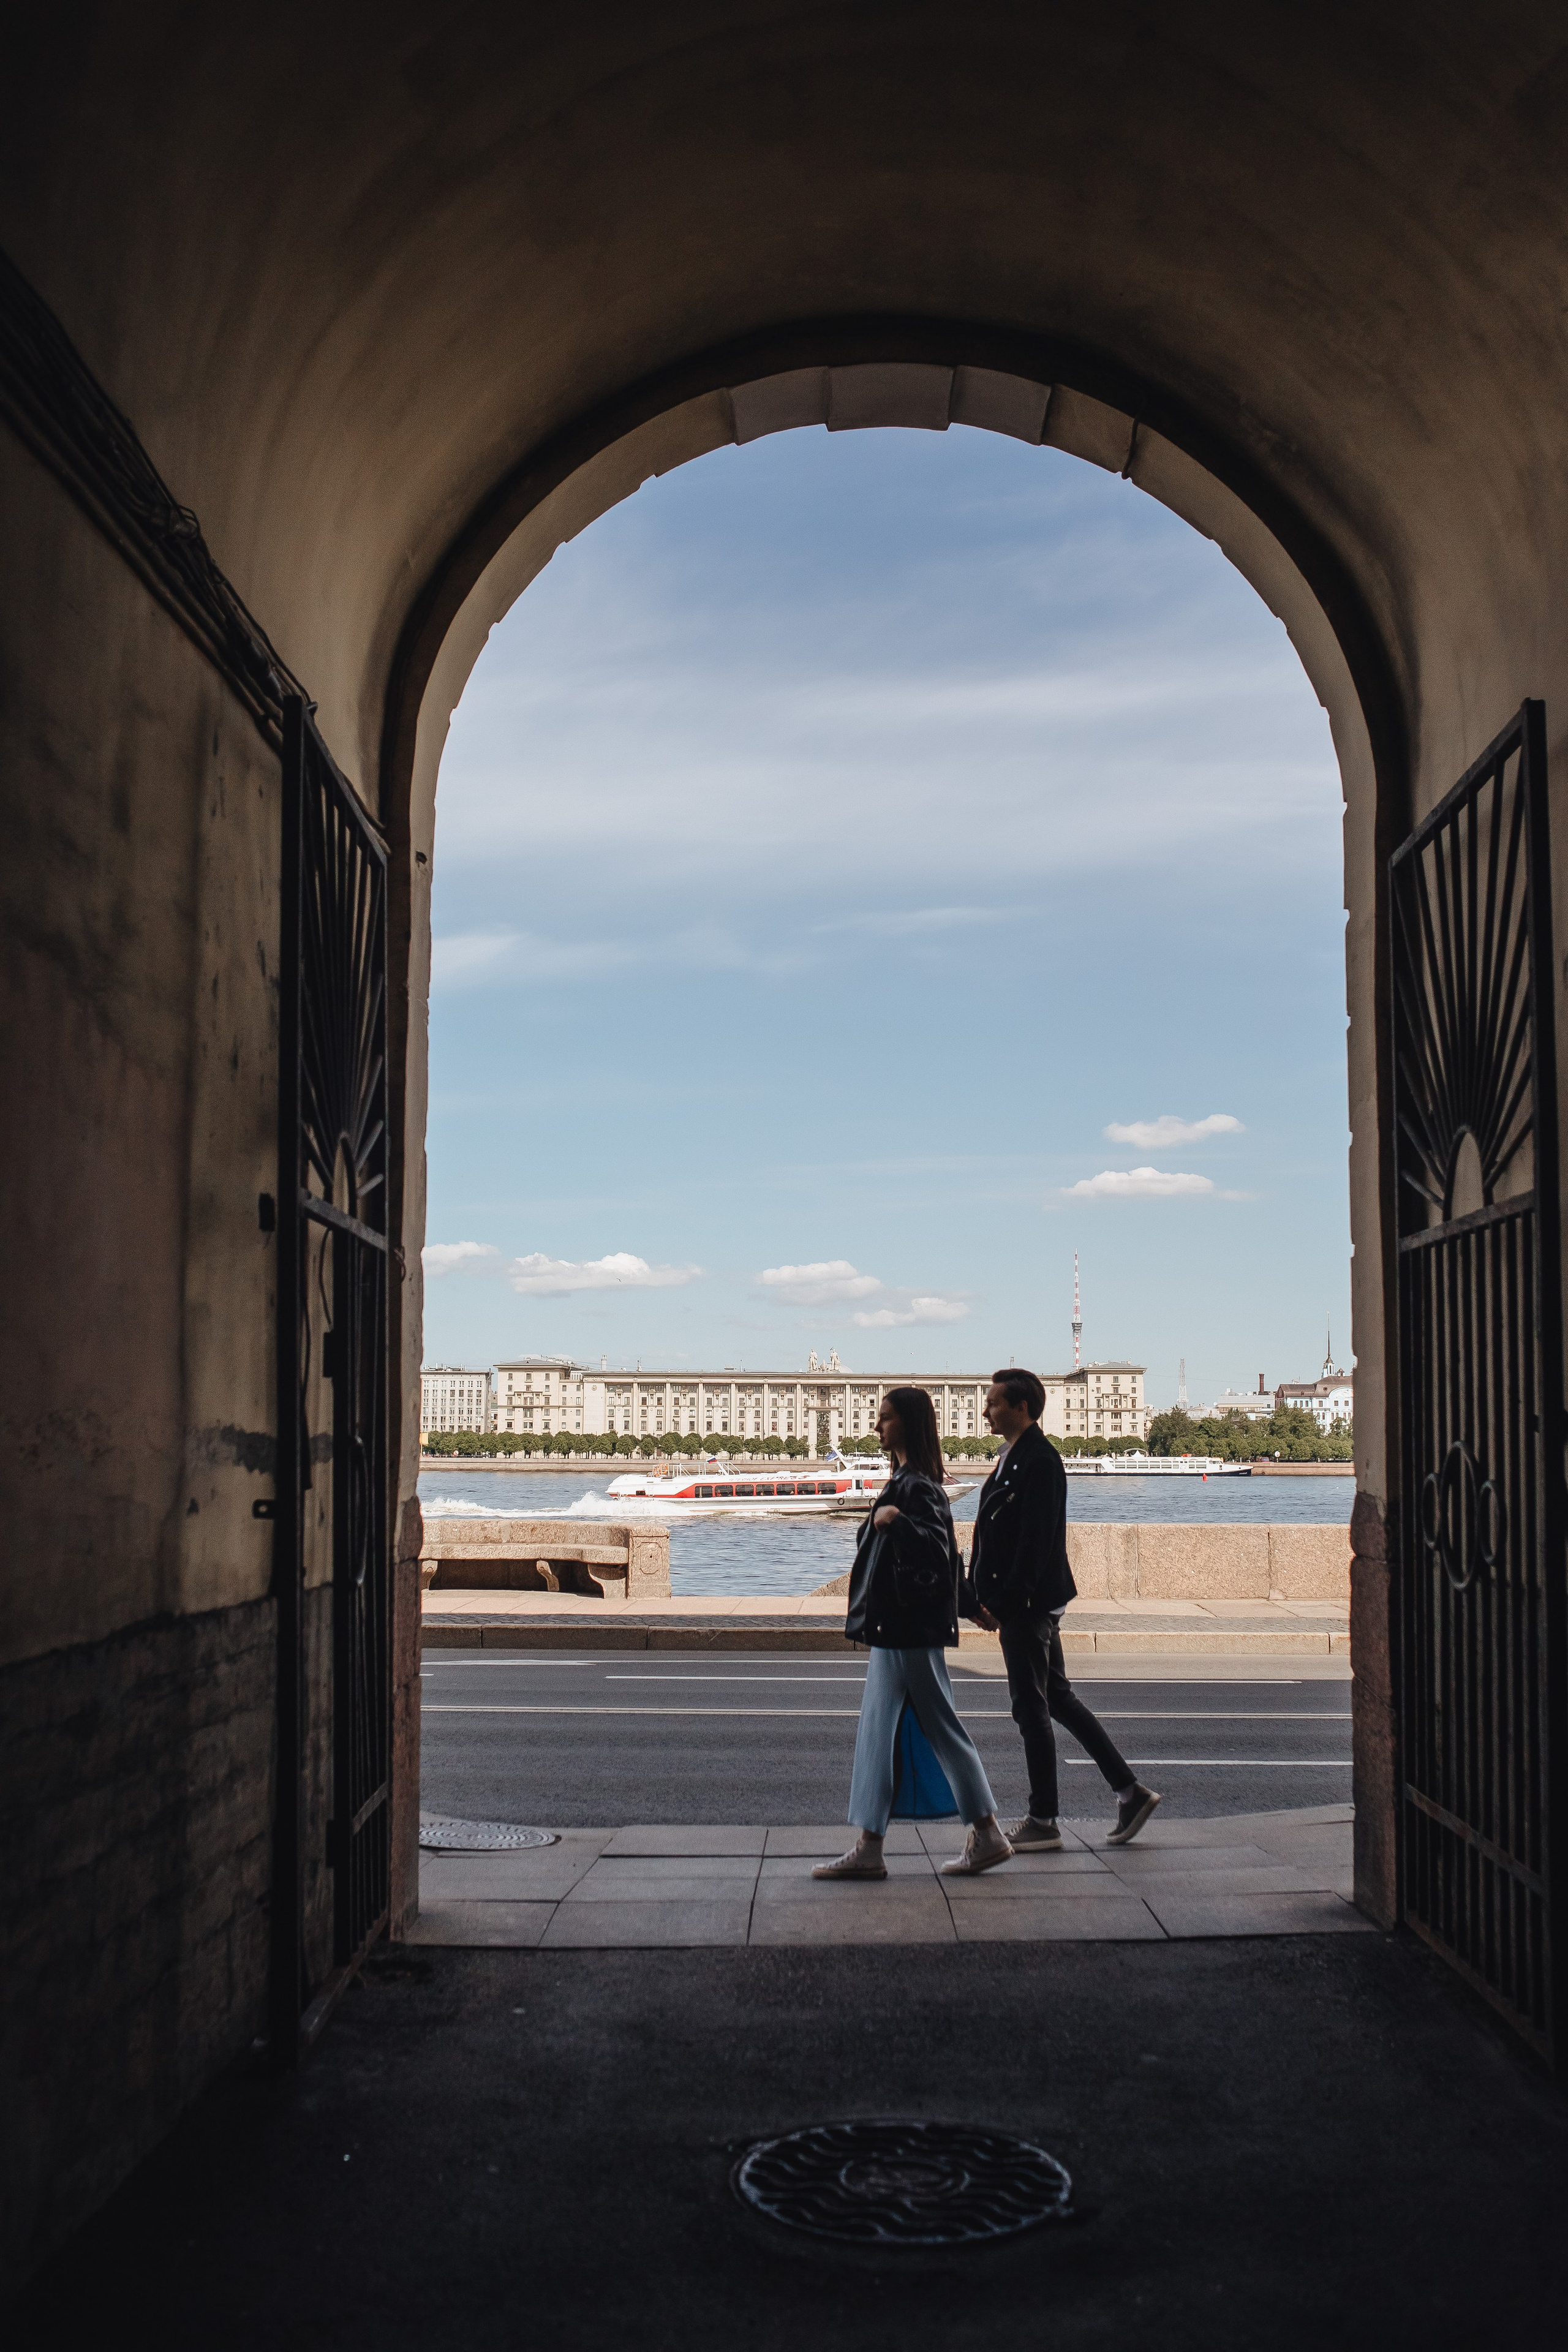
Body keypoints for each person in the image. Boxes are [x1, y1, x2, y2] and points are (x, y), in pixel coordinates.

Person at [813, 1386, 1013, 1880]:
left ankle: (987, 1832)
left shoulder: (916, 1487)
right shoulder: (910, 1480)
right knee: (878, 1733)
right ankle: (870, 1846)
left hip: (907, 1627)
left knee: (938, 1727)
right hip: (898, 1626)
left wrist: (895, 1522)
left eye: (885, 1417)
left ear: (908, 1423)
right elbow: (948, 1559)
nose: (877, 1426)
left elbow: (935, 1553)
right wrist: (971, 1607)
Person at [965, 1368, 1161, 1849]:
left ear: (1022, 1408)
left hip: (1028, 1605)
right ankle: (1130, 1792)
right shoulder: (1013, 1456)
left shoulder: (1039, 1460)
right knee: (1057, 1700)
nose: (986, 1411)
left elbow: (1035, 1544)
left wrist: (1003, 1605)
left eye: (994, 1403)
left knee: (1031, 1709)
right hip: (1025, 1602)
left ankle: (1043, 1819)